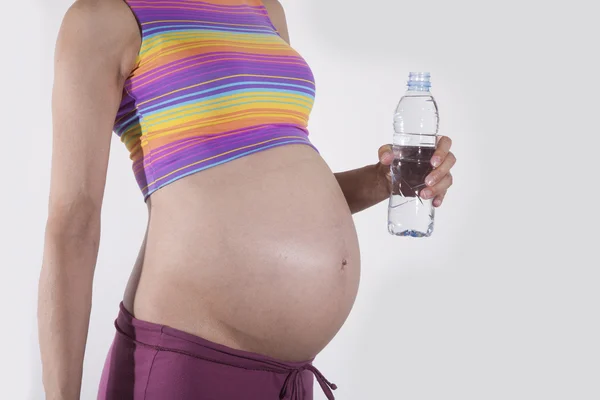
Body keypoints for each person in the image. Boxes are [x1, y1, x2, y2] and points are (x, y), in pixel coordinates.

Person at [37, 0, 456, 399]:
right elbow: (74, 221)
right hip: (190, 363)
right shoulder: (105, 16)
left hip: (291, 376)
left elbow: (272, 191)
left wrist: (383, 180)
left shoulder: (264, 10)